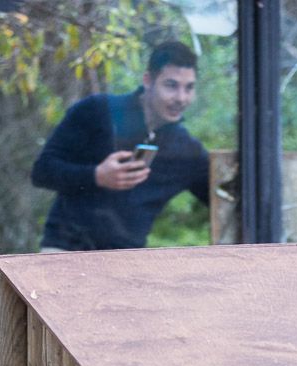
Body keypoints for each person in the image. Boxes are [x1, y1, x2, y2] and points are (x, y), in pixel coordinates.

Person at [31, 40, 210, 252]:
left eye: (189, 88)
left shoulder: (187, 149)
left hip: (125, 263)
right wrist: (96, 175)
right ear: (148, 80)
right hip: (65, 252)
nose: (181, 98)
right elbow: (42, 171)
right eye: (171, 85)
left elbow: (226, 196)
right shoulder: (97, 111)